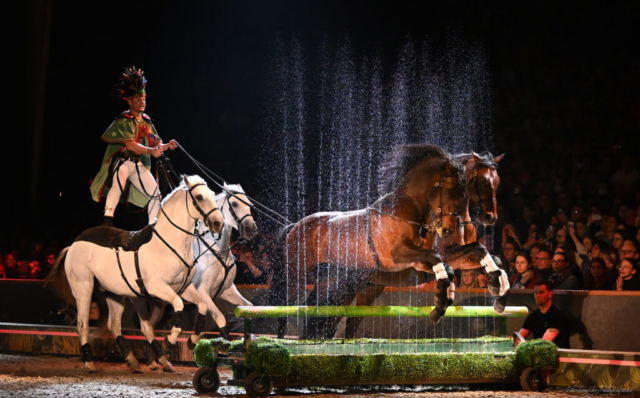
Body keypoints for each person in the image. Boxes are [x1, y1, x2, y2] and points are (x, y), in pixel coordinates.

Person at [89, 67, 178, 226]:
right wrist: (152, 151)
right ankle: (107, 220)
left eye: (144, 99)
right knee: (118, 186)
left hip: (137, 164)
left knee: (155, 194)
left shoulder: (145, 120)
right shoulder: (124, 120)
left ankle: (152, 226)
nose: (142, 102)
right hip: (122, 162)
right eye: (138, 100)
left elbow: (156, 143)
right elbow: (131, 144)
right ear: (129, 101)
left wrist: (166, 146)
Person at [516, 280, 570, 349]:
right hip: (538, 354)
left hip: (558, 356)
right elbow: (519, 337)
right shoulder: (534, 315)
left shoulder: (557, 315)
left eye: (541, 292)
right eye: (535, 292)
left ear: (550, 294)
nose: (537, 295)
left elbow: (544, 343)